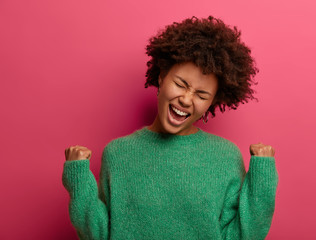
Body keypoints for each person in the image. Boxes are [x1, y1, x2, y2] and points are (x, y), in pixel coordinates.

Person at [63, 16, 278, 240]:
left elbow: (244, 234)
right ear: (162, 77)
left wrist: (262, 176)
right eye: (180, 84)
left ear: (212, 103)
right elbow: (98, 233)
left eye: (202, 95)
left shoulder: (226, 156)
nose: (186, 99)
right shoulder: (117, 153)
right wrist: (78, 178)